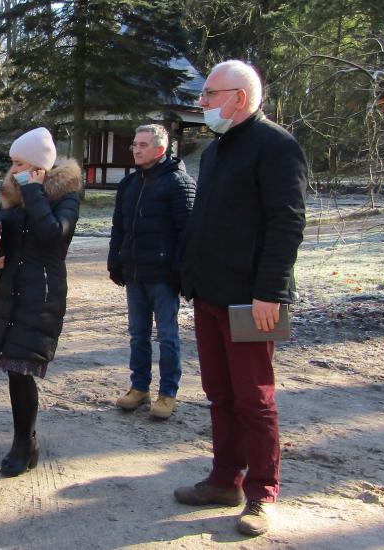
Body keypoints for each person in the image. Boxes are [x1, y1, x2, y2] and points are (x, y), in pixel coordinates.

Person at [173, 60, 307, 537]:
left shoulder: (276, 146)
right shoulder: (214, 152)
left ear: (239, 99)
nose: (202, 104)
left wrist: (270, 293)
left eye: (210, 95)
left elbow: (286, 224)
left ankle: (262, 494)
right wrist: (188, 275)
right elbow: (205, 221)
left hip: (253, 302)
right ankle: (224, 479)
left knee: (254, 399)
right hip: (210, 295)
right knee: (219, 394)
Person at [0, 127, 82, 477]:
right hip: (10, 290)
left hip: (42, 293)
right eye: (12, 163)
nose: (13, 170)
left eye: (20, 163)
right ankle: (26, 440)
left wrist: (34, 191)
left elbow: (54, 234)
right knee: (13, 370)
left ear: (38, 166)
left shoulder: (66, 194)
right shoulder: (11, 191)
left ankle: (24, 443)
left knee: (22, 369)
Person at [108, 124, 195, 420]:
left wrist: (180, 272)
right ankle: (139, 387)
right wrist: (115, 261)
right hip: (135, 273)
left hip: (163, 275)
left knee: (168, 336)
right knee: (138, 334)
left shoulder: (178, 182)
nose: (136, 149)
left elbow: (188, 233)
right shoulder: (129, 185)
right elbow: (118, 228)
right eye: (134, 144)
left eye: (143, 144)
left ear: (160, 149)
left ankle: (168, 392)